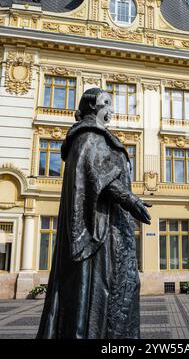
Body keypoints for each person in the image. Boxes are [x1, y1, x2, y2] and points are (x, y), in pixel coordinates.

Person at [36, 88, 152, 339]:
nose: (112, 108)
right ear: (92, 107)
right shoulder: (89, 136)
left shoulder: (92, 137)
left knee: (121, 286)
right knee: (107, 287)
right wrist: (131, 200)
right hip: (102, 229)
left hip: (110, 220)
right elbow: (99, 174)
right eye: (106, 103)